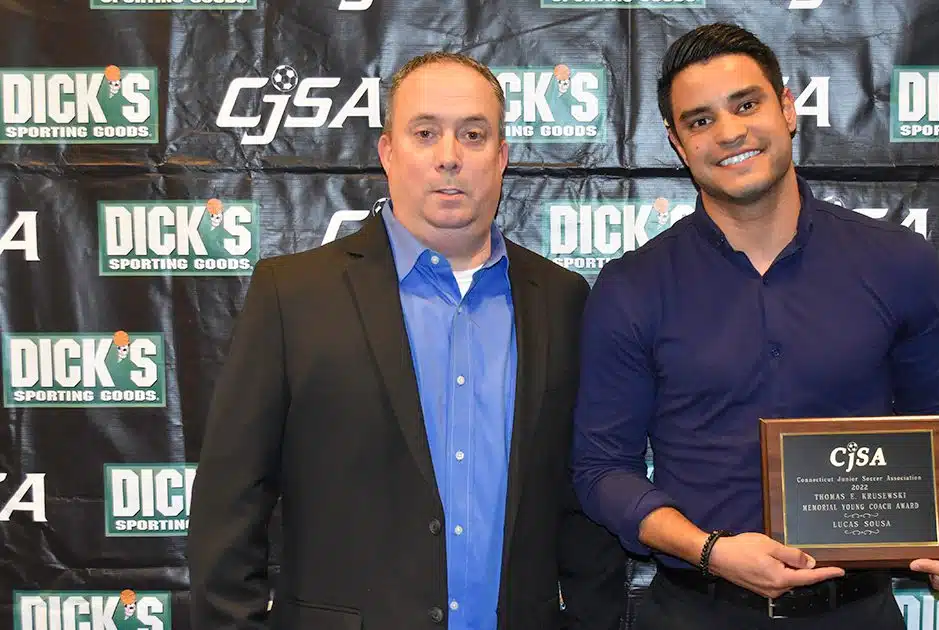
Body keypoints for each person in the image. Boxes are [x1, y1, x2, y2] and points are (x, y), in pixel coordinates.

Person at [571, 23, 939, 630]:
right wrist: (711, 551)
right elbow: (600, 469)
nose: (730, 132)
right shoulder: (632, 287)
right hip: (696, 610)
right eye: (700, 120)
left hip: (858, 612)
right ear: (677, 142)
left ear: (787, 108)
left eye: (746, 104)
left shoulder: (899, 262)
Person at [187, 51, 628, 630]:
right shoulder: (292, 294)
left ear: (501, 158)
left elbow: (582, 505)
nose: (449, 157)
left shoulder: (563, 299)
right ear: (388, 153)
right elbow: (229, 505)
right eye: (425, 133)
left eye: (473, 135)